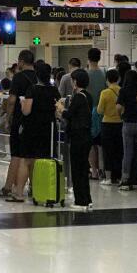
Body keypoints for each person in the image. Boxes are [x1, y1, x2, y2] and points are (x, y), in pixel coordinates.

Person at [11, 63, 60, 202]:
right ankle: (41, 191)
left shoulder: (32, 89)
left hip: (31, 129)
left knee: (26, 160)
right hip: (48, 129)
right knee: (44, 159)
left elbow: (27, 111)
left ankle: (19, 193)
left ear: (37, 75)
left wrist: (22, 104)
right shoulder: (54, 90)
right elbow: (58, 111)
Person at [0, 50, 37, 198]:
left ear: (22, 61)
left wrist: (8, 117)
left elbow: (11, 100)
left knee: (16, 155)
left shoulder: (18, 77)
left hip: (20, 120)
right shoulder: (38, 76)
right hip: (35, 121)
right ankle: (34, 187)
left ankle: (8, 187)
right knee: (31, 155)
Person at [56, 69, 93, 211]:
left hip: (77, 136)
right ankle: (87, 199)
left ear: (75, 81)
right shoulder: (88, 96)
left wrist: (61, 109)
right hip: (86, 136)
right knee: (83, 168)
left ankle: (80, 201)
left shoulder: (78, 97)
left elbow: (70, 114)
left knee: (77, 169)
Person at [116, 70, 137, 191]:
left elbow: (118, 107)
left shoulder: (123, 90)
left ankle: (125, 180)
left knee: (128, 153)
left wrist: (121, 116)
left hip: (128, 124)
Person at [97, 68, 123, 186]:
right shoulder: (122, 91)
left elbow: (99, 110)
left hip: (107, 124)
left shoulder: (105, 93)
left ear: (107, 79)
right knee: (119, 150)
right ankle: (118, 177)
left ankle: (108, 178)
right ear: (119, 79)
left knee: (107, 151)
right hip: (120, 123)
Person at [87, 48, 106, 180]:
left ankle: (94, 171)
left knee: (91, 144)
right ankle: (103, 170)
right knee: (101, 144)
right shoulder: (104, 73)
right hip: (103, 112)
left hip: (89, 112)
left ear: (88, 58)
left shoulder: (85, 74)